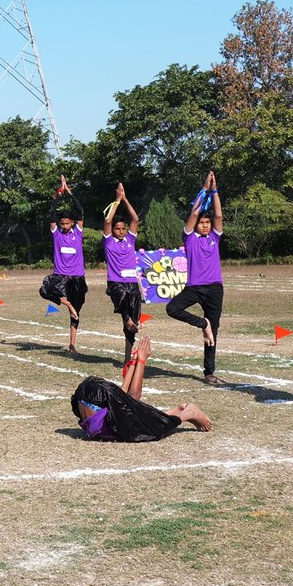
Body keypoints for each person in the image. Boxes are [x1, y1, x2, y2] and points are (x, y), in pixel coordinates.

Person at [72, 336, 211, 441]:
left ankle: (184, 412)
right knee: (146, 427)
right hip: (91, 397)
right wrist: (138, 361)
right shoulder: (113, 423)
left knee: (141, 422)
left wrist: (137, 361)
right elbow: (126, 399)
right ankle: (186, 413)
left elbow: (126, 398)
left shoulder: (112, 422)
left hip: (86, 395)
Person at [166, 172, 228, 385]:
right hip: (194, 287)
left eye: (206, 222)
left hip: (214, 288)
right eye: (201, 222)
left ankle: (209, 372)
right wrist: (203, 189)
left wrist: (215, 191)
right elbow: (193, 214)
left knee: (215, 332)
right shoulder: (190, 238)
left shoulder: (214, 237)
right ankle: (203, 323)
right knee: (172, 308)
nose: (204, 225)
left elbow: (219, 216)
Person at [39, 175, 88, 354]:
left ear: (73, 223)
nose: (65, 226)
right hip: (60, 276)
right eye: (63, 223)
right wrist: (60, 192)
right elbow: (52, 213)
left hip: (77, 277)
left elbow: (80, 210)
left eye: (68, 223)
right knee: (44, 291)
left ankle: (72, 345)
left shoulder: (78, 232)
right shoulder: (56, 233)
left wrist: (70, 191)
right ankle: (67, 304)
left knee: (76, 313)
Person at [102, 183, 144, 368]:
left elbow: (135, 219)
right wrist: (117, 201)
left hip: (131, 282)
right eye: (117, 229)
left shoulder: (130, 239)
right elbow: (107, 222)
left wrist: (126, 199)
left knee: (133, 323)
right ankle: (127, 320)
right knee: (120, 301)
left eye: (123, 229)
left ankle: (127, 357)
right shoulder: (109, 241)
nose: (120, 231)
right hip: (116, 282)